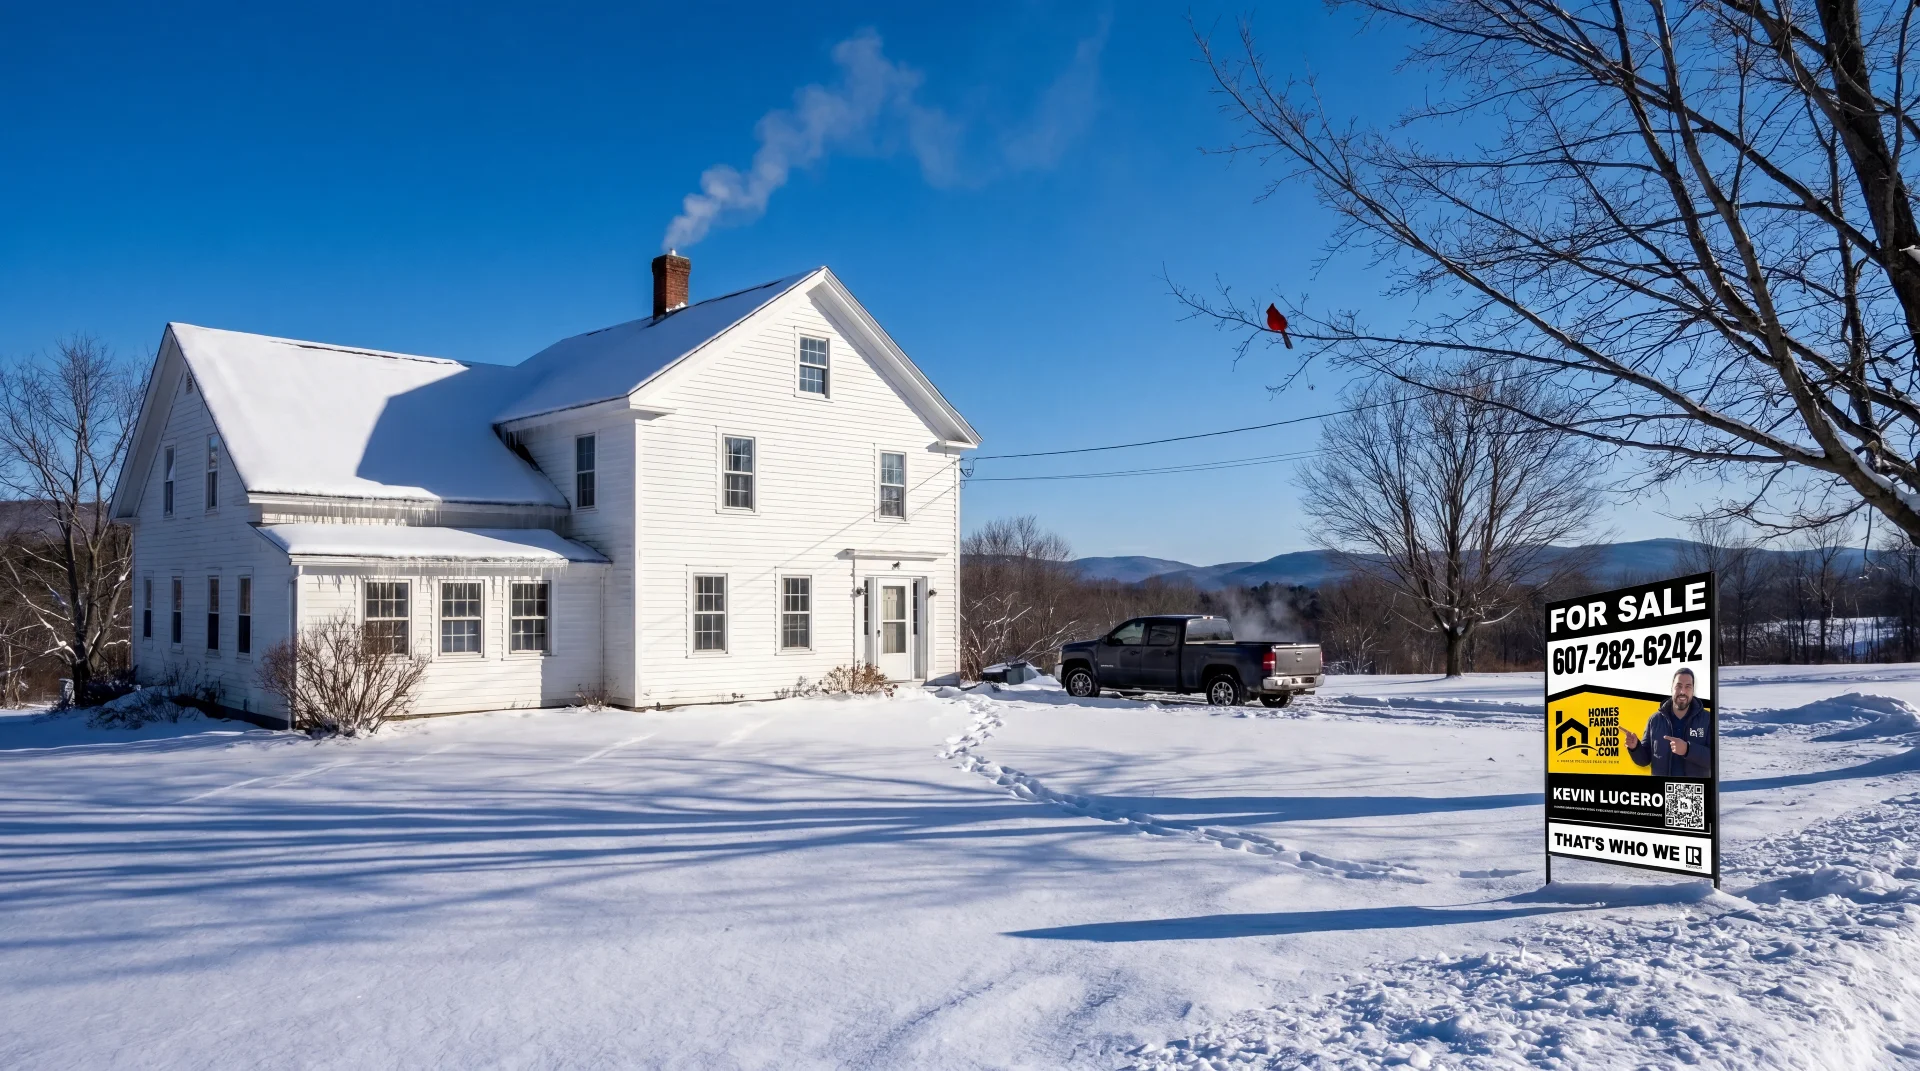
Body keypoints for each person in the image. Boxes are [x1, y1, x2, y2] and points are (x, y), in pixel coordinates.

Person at [1623, 666, 1712, 777]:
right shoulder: (1655, 720)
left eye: (1688, 687)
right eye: (1678, 686)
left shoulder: (1707, 719)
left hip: (1694, 792)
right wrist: (1635, 747)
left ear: (1693, 690)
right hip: (1662, 792)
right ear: (1672, 688)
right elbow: (1644, 760)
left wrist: (1688, 749)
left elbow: (1714, 759)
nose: (1682, 691)